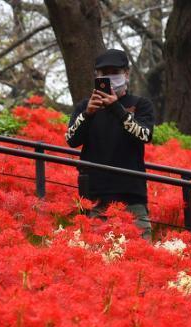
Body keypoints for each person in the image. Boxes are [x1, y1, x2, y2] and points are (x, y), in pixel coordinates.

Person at [65, 49, 155, 240]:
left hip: (132, 196)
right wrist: (88, 114)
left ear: (126, 74)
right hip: (95, 198)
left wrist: (116, 108)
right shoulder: (85, 106)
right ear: (96, 76)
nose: (109, 77)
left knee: (140, 256)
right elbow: (71, 139)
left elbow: (144, 135)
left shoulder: (140, 105)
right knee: (96, 260)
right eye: (103, 73)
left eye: (115, 72)